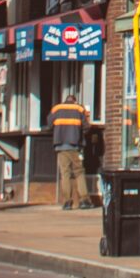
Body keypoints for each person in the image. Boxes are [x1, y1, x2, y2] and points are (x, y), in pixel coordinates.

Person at [50, 80, 89, 211]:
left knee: (65, 173)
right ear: (74, 100)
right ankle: (84, 200)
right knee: (79, 172)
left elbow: (49, 124)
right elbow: (86, 127)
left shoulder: (56, 108)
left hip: (60, 145)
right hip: (74, 145)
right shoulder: (79, 109)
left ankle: (67, 202)